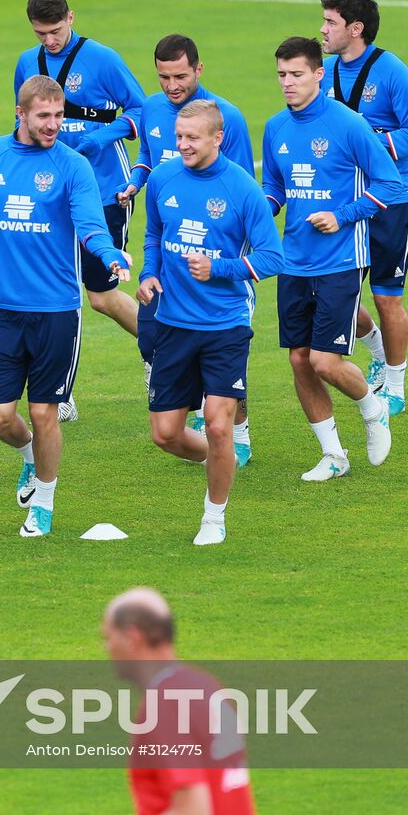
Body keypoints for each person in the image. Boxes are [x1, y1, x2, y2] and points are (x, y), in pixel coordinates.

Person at [0, 76, 130, 537]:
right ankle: (29, 457)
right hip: (4, 309)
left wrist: (109, 254)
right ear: (20, 115)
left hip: (58, 312)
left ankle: (43, 505)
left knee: (46, 411)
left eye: (58, 115)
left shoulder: (72, 165)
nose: (53, 124)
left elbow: (89, 223)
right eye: (44, 116)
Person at [137, 100, 283, 545]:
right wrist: (149, 274)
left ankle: (214, 517)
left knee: (219, 424)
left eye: (192, 138)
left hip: (225, 324)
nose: (181, 145)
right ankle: (221, 459)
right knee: (165, 435)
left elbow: (272, 256)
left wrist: (219, 269)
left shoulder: (242, 189)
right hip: (174, 323)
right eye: (178, 137)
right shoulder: (162, 179)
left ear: (217, 139)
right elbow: (154, 235)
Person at [261, 37, 403, 481]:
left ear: (319, 74)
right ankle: (333, 455)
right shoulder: (275, 128)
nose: (288, 83)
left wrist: (341, 216)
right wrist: (258, 215)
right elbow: (275, 189)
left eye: (297, 74)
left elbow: (390, 183)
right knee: (300, 360)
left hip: (341, 259)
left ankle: (372, 407)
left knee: (325, 361)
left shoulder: (348, 124)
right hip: (293, 262)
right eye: (282, 75)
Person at [119, 34, 257, 466]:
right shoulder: (153, 107)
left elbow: (244, 188)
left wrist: (230, 262)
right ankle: (197, 412)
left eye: (180, 76)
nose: (172, 85)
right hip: (169, 247)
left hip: (215, 253)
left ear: (199, 69)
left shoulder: (225, 117)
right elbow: (148, 155)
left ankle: (239, 430)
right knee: (151, 336)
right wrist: (136, 182)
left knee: (222, 344)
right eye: (164, 77)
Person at [14, 0, 145, 422]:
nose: (49, 41)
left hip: (105, 190)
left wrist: (104, 136)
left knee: (103, 296)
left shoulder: (102, 59)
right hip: (49, 195)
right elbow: (21, 122)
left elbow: (144, 110)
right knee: (56, 291)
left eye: (55, 31)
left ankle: (162, 353)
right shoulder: (26, 64)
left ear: (71, 17)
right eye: (40, 33)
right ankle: (59, 391)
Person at [70, 587, 264, 815]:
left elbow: (193, 813)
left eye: (108, 637)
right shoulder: (207, 687)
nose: (106, 648)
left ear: (132, 638)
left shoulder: (165, 704)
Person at [320, 0, 408, 416]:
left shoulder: (392, 71)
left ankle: (396, 386)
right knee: (338, 292)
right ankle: (379, 352)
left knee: (386, 296)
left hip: (390, 199)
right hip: (345, 203)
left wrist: (367, 145)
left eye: (330, 22)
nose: (323, 29)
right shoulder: (324, 73)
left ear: (355, 28)